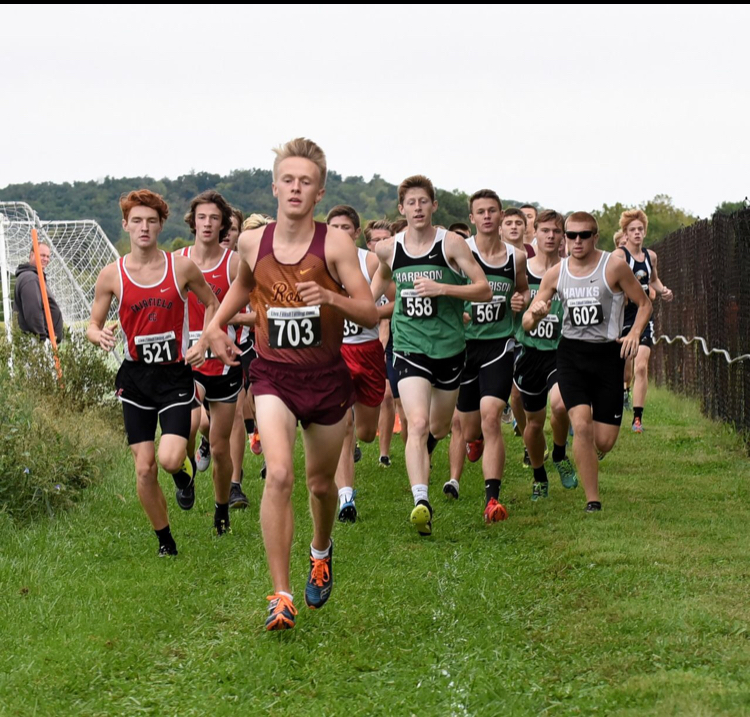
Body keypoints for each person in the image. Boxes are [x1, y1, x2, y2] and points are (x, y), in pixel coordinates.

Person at [204, 137, 378, 631]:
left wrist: (329, 295)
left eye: (306, 181)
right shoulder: (252, 241)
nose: (296, 188)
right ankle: (280, 595)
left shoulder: (336, 244)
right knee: (278, 474)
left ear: (319, 192)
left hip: (325, 378)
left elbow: (368, 310)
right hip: (273, 374)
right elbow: (242, 284)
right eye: (289, 179)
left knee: (321, 484)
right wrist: (216, 325)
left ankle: (320, 552)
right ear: (275, 185)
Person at [86, 189, 218, 556]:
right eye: (137, 221)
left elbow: (212, 304)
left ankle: (182, 474)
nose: (144, 228)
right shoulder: (112, 275)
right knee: (144, 468)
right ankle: (166, 541)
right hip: (135, 379)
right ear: (126, 225)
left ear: (161, 225)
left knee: (169, 459)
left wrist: (204, 340)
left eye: (151, 221)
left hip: (175, 375)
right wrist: (100, 335)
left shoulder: (182, 268)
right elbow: (93, 325)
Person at [372, 175, 491, 536]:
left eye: (424, 202)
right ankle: (421, 501)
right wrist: (355, 309)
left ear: (434, 206)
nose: (418, 208)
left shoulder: (451, 243)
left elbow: (484, 289)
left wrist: (443, 288)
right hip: (409, 346)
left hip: (450, 348)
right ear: (402, 208)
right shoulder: (389, 249)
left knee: (438, 427)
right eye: (411, 203)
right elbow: (374, 288)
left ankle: (425, 456)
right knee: (417, 422)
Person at [523, 211, 651, 512]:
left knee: (603, 440)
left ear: (595, 236)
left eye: (584, 235)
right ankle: (592, 500)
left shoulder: (614, 267)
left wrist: (633, 333)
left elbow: (644, 303)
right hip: (571, 355)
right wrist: (536, 313)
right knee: (580, 425)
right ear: (565, 239)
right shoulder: (556, 274)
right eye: (571, 235)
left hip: (608, 356)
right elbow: (528, 321)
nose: (577, 241)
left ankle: (588, 452)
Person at [443, 189, 529, 523]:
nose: (488, 216)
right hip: (464, 346)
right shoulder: (459, 254)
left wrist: (520, 301)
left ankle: (492, 499)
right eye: (481, 212)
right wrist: (457, 312)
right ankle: (473, 440)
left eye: (493, 210)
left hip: (499, 344)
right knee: (469, 426)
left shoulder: (515, 257)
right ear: (473, 217)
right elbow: (445, 292)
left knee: (492, 414)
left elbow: (521, 288)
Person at [179, 190, 243, 535]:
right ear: (193, 221)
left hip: (224, 363)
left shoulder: (233, 263)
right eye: (201, 217)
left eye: (214, 218)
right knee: (188, 422)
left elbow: (250, 307)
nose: (207, 223)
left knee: (220, 449)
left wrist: (224, 335)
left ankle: (221, 510)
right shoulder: (177, 261)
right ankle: (185, 470)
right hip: (188, 361)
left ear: (223, 224)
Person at [326, 205, 387, 522]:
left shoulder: (371, 260)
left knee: (364, 431)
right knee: (343, 426)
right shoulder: (319, 264)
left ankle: (359, 448)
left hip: (368, 350)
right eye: (333, 226)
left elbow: (397, 299)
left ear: (356, 230)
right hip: (335, 353)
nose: (339, 232)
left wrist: (367, 313)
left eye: (345, 227)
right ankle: (345, 498)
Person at [513, 210, 577, 500]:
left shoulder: (571, 269)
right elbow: (504, 301)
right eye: (545, 230)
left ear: (563, 236)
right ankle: (539, 475)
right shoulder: (521, 269)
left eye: (556, 231)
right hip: (529, 351)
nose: (551, 236)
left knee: (561, 406)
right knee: (534, 423)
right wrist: (517, 303)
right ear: (534, 232)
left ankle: (561, 455)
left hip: (562, 351)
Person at [613, 209, 673, 432]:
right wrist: (624, 291)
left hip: (643, 315)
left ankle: (637, 419)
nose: (637, 233)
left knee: (641, 366)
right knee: (622, 368)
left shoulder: (651, 256)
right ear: (625, 234)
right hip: (621, 317)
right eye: (632, 230)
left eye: (640, 229)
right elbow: (610, 282)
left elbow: (654, 280)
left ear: (644, 232)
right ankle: (614, 402)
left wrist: (664, 290)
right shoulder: (619, 256)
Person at [364, 219, 400, 467]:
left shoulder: (391, 268)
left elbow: (395, 304)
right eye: (376, 240)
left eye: (386, 239)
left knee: (387, 397)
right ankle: (351, 442)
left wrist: (373, 315)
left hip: (383, 339)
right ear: (368, 243)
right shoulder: (356, 264)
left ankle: (384, 453)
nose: (381, 244)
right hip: (349, 342)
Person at [14, 243, 64, 343]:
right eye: (42, 255)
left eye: (48, 256)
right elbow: (33, 311)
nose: (46, 259)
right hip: (35, 342)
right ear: (32, 255)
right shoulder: (30, 278)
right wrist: (42, 338)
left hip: (40, 341)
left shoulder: (36, 277)